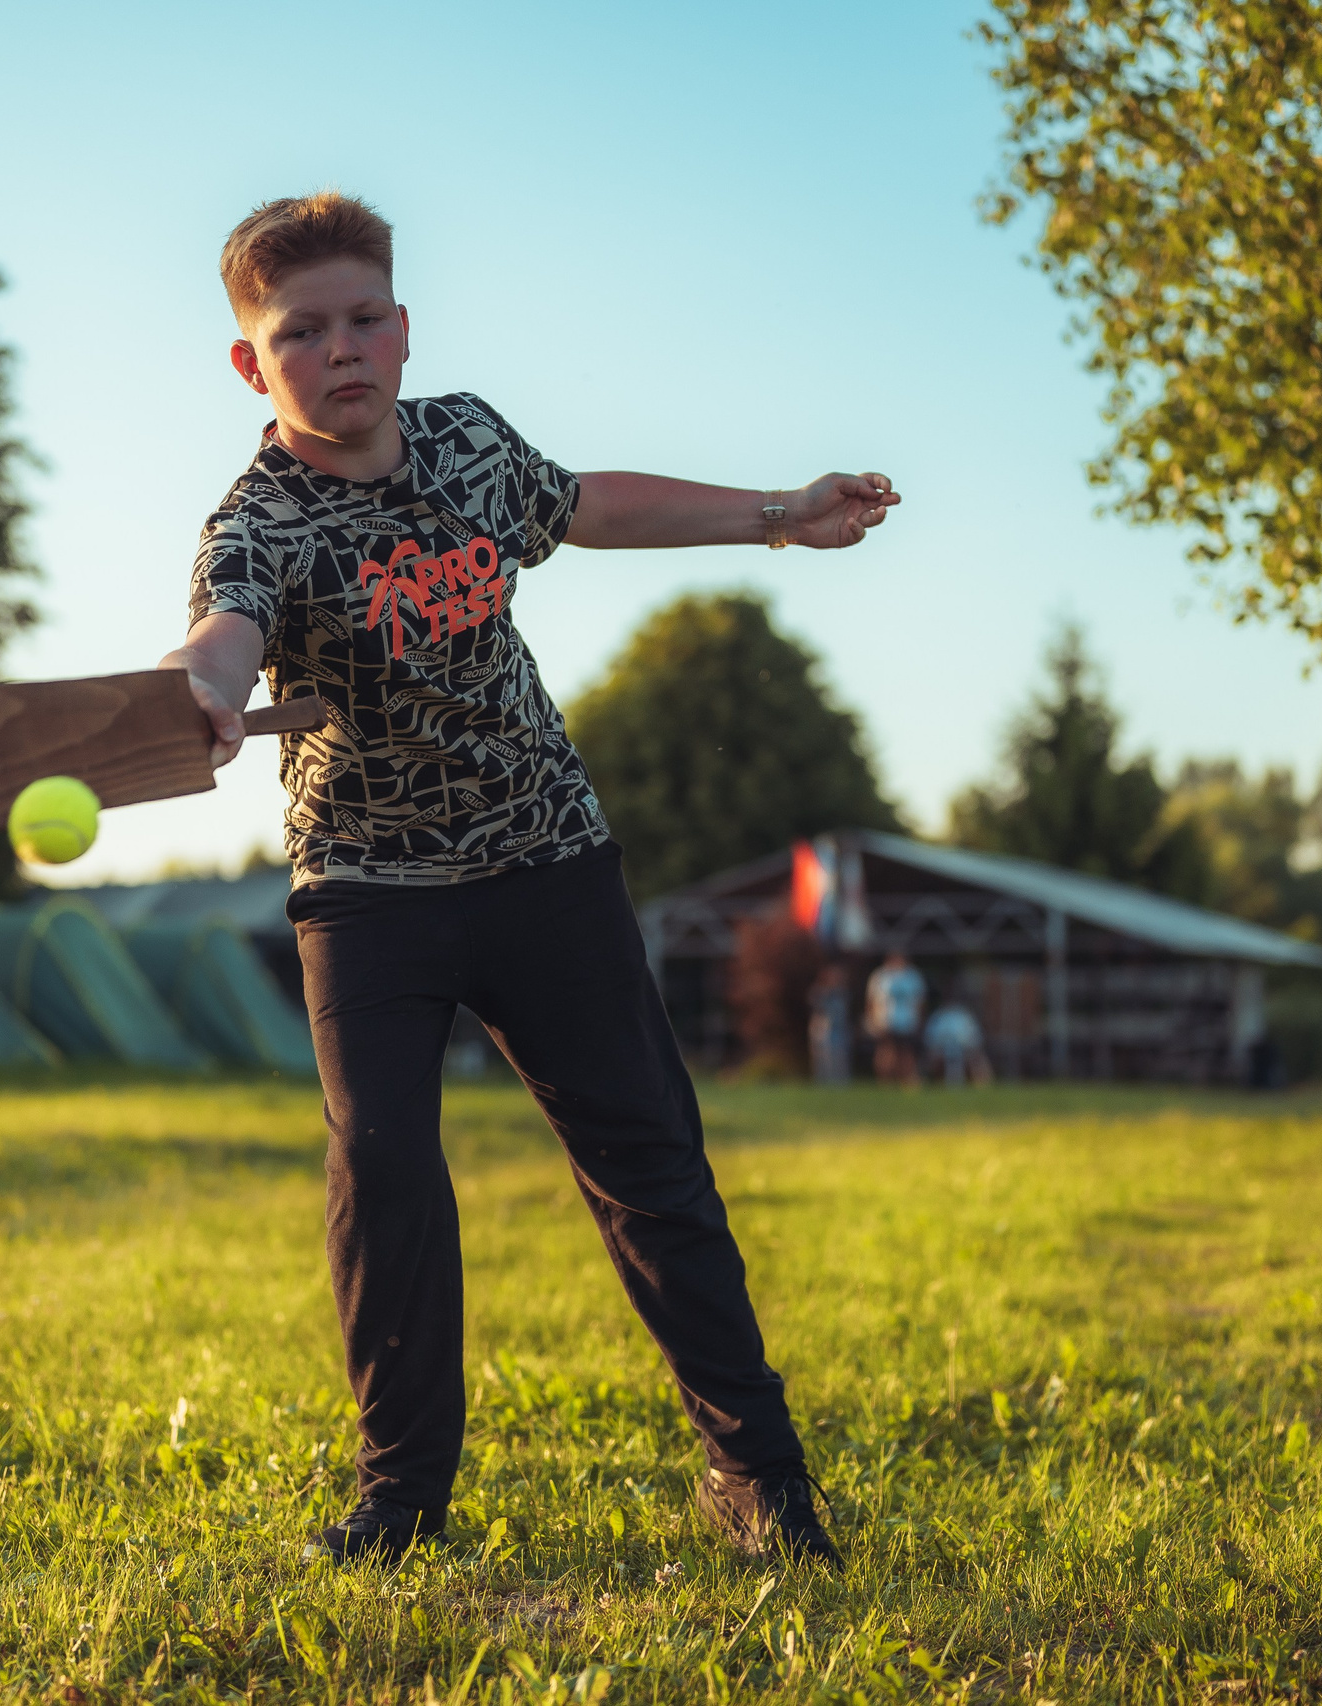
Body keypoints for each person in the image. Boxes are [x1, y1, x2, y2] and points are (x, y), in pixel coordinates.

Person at [162, 192, 900, 1570]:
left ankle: (760, 1476)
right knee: (382, 1164)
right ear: (251, 365)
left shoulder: (466, 438)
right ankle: (401, 1499)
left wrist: (776, 517)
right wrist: (197, 689)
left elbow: (579, 502)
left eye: (362, 318)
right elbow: (222, 627)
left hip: (545, 853)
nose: (340, 349)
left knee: (650, 1162)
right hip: (369, 887)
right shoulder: (257, 519)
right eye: (299, 331)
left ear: (401, 324)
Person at [864, 952, 928, 1088]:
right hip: (885, 1021)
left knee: (906, 1052)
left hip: (907, 1022)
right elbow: (871, 1001)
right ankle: (885, 1082)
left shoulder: (912, 976)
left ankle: (906, 1081)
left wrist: (919, 1021)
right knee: (886, 1051)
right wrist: (873, 1020)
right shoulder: (880, 976)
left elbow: (920, 1002)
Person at [924, 994, 993, 1088]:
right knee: (932, 1061)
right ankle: (935, 1083)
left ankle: (981, 1085)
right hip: (941, 1051)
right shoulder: (937, 1017)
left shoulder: (966, 1016)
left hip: (965, 1051)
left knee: (978, 1062)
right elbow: (930, 1040)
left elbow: (975, 1039)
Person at [807, 964, 852, 1085]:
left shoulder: (842, 993)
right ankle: (823, 1083)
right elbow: (815, 1006)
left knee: (840, 1057)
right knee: (823, 1058)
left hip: (839, 1028)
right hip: (823, 1029)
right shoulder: (820, 992)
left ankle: (840, 1084)